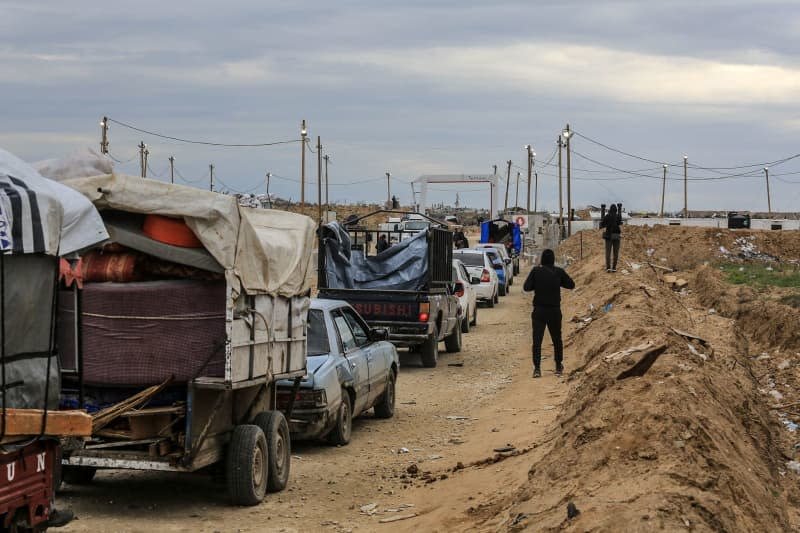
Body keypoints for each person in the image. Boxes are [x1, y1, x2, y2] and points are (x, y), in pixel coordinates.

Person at [523, 249, 575, 378]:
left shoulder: (536, 271)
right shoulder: (558, 272)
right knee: (557, 339)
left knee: (537, 341)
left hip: (539, 311)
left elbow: (526, 287)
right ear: (553, 259)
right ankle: (558, 365)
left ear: (542, 259)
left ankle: (537, 369)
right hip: (554, 311)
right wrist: (558, 282)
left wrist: (538, 283)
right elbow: (571, 284)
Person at [599, 204, 623, 272]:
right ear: (616, 210)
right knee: (616, 253)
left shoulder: (607, 216)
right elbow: (620, 222)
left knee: (608, 253)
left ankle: (608, 268)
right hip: (617, 236)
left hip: (609, 236)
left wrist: (603, 209)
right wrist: (620, 208)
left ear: (610, 209)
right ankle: (614, 268)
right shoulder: (618, 216)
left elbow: (602, 223)